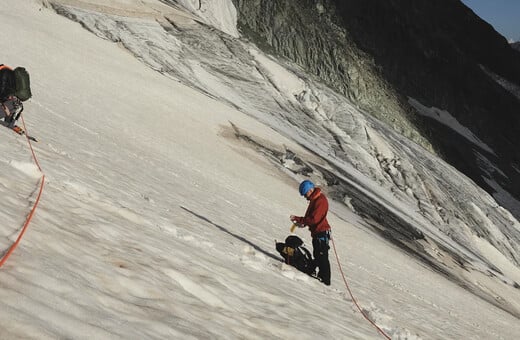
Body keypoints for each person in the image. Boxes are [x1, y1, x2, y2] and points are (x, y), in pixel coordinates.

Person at [290, 179, 331, 285]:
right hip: (319, 232)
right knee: (318, 255)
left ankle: (325, 281)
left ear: (310, 190)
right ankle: (321, 277)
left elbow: (314, 219)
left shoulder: (320, 201)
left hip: (321, 233)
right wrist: (303, 222)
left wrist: (300, 219)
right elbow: (312, 218)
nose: (305, 197)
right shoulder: (315, 199)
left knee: (322, 258)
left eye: (305, 194)